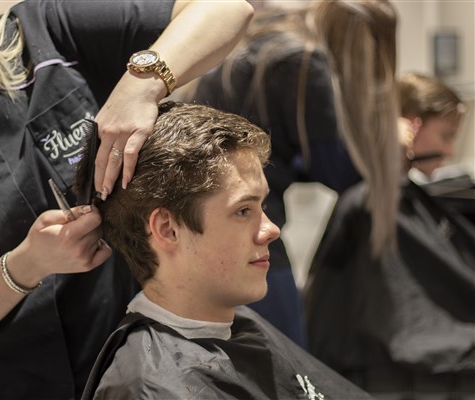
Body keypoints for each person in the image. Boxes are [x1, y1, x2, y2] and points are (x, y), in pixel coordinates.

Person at [0, 0, 253, 398]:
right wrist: (29, 263)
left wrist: (141, 85)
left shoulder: (48, 32)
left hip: (120, 367)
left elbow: (226, 9)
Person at [76, 101, 374, 400]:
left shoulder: (238, 327)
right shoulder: (151, 387)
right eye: (243, 211)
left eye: (262, 206)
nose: (271, 230)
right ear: (168, 229)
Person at [189, 0, 400, 346]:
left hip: (197, 223)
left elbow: (284, 155)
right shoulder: (304, 63)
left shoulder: (267, 38)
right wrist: (391, 141)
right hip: (244, 227)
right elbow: (338, 172)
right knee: (286, 361)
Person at [304, 73, 475, 398]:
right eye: (446, 136)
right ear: (412, 126)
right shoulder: (369, 204)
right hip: (399, 373)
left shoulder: (401, 198)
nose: (450, 150)